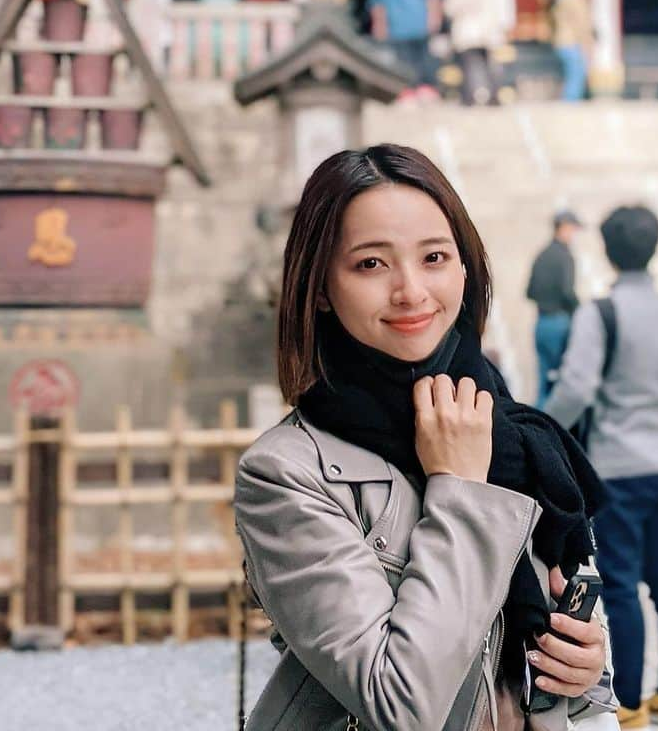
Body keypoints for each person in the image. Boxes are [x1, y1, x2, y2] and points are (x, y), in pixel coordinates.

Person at [235, 145, 617, 730]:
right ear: (319, 289)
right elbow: (401, 705)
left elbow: (585, 678)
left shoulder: (517, 437)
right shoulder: (287, 473)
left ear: (465, 268)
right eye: (370, 264)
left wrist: (585, 668)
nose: (411, 290)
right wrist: (459, 489)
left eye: (434, 257)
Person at [544, 206, 658, 731]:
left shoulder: (602, 313)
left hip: (617, 468)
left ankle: (629, 704)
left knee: (619, 585)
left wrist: (541, 431)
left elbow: (575, 387)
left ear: (608, 250)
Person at [368, 0, 443, 103]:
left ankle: (407, 91)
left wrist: (379, 27)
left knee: (402, 61)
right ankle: (425, 90)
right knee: (423, 59)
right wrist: (435, 19)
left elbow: (378, 5)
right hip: (421, 24)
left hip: (396, 26)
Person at [526, 210, 583, 407]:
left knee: (544, 386)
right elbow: (568, 291)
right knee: (561, 387)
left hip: (541, 324)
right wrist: (581, 313)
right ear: (564, 227)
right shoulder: (565, 256)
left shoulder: (542, 255)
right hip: (560, 323)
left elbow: (529, 292)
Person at [442, 0, 502, 106]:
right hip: (486, 33)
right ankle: (493, 95)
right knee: (487, 66)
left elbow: (448, 9)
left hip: (467, 33)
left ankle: (469, 96)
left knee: (469, 67)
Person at [551, 0, 594, 102]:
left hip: (562, 42)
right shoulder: (575, 1)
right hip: (571, 43)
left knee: (572, 74)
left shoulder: (559, 5)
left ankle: (569, 100)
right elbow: (581, 25)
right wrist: (587, 43)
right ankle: (570, 102)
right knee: (576, 74)